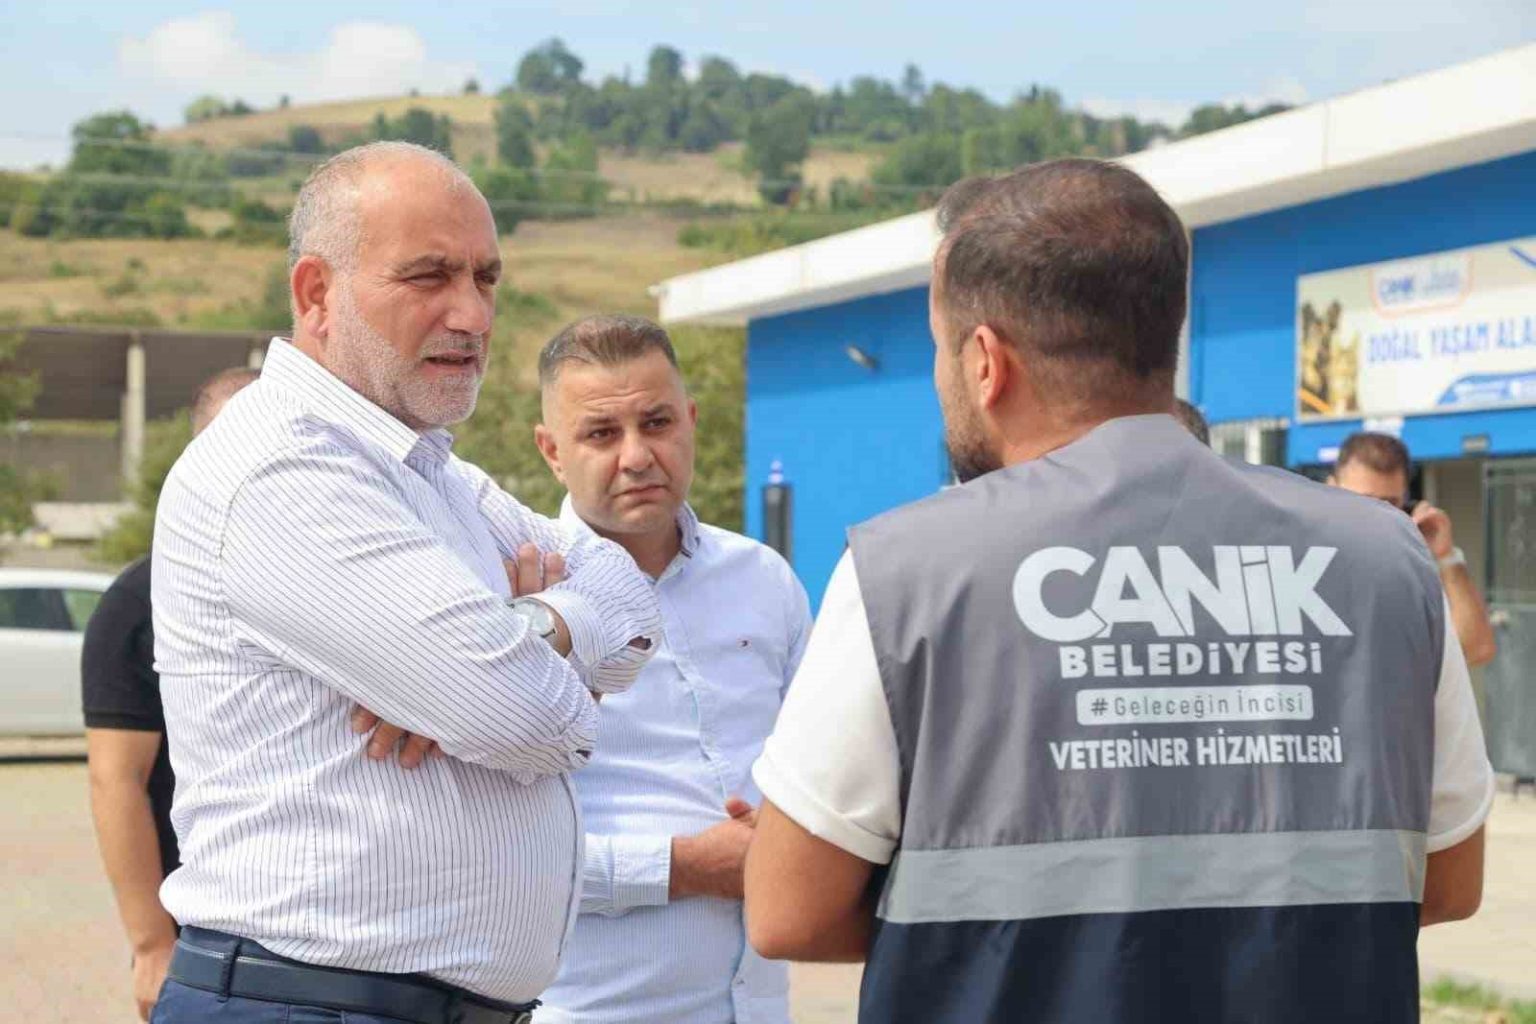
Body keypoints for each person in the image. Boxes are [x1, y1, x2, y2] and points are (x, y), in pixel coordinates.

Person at [742, 159, 1494, 1023]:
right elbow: (1449, 880)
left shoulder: (901, 571)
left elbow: (788, 910)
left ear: (985, 362)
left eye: (941, 350)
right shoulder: (1387, 558)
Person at [149, 142, 662, 1024]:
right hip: (308, 1004)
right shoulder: (280, 470)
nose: (472, 314)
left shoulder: (430, 470)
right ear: (317, 293)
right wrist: (498, 674)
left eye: (486, 278)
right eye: (429, 276)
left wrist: (530, 625)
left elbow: (632, 596)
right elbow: (530, 721)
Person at [527, 314, 811, 1024]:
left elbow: (821, 769)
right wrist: (681, 868)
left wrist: (792, 833)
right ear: (552, 452)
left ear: (690, 421)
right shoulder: (519, 601)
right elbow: (491, 858)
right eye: (601, 434)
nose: (637, 456)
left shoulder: (764, 579)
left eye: (656, 423)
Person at [84, 366, 257, 1021]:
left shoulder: (326, 583)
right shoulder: (141, 599)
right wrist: (152, 943)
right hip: (207, 934)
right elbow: (117, 778)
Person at [1329, 431, 1497, 667]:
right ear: (1330, 488)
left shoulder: (1411, 568)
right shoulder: (1297, 553)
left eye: (1390, 503)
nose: (1376, 515)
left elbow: (1475, 650)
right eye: (1363, 501)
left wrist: (1446, 557)